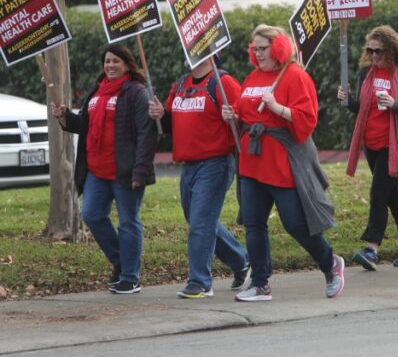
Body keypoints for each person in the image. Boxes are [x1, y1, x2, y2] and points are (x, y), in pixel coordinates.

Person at [222, 24, 344, 301]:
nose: (258, 53)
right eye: (254, 49)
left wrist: (277, 107)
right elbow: (244, 111)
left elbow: (307, 120)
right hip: (252, 163)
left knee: (295, 224)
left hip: (282, 164)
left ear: (277, 48)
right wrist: (232, 114)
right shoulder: (252, 77)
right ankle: (260, 283)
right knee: (253, 223)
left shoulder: (294, 76)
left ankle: (330, 264)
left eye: (262, 48)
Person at [51, 44, 157, 294]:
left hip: (125, 172)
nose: (110, 65)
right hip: (96, 171)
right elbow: (84, 126)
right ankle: (121, 262)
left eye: (116, 61)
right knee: (92, 215)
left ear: (127, 64)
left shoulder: (136, 92)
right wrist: (65, 116)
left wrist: (140, 171)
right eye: (107, 61)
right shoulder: (97, 91)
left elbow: (146, 134)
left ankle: (130, 277)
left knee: (128, 223)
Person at [148, 57, 249, 299]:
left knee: (201, 222)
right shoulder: (182, 83)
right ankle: (240, 259)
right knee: (198, 219)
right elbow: (172, 120)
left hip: (216, 163)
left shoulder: (223, 82)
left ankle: (200, 282)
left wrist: (233, 117)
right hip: (189, 164)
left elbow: (244, 118)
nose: (187, 52)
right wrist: (162, 114)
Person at [338, 25, 398, 270]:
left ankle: (372, 248)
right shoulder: (367, 73)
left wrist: (395, 103)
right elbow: (360, 108)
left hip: (393, 145)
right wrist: (347, 100)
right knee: (393, 198)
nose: (374, 56)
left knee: (378, 193)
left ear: (392, 51)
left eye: (379, 51)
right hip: (371, 145)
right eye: (370, 50)